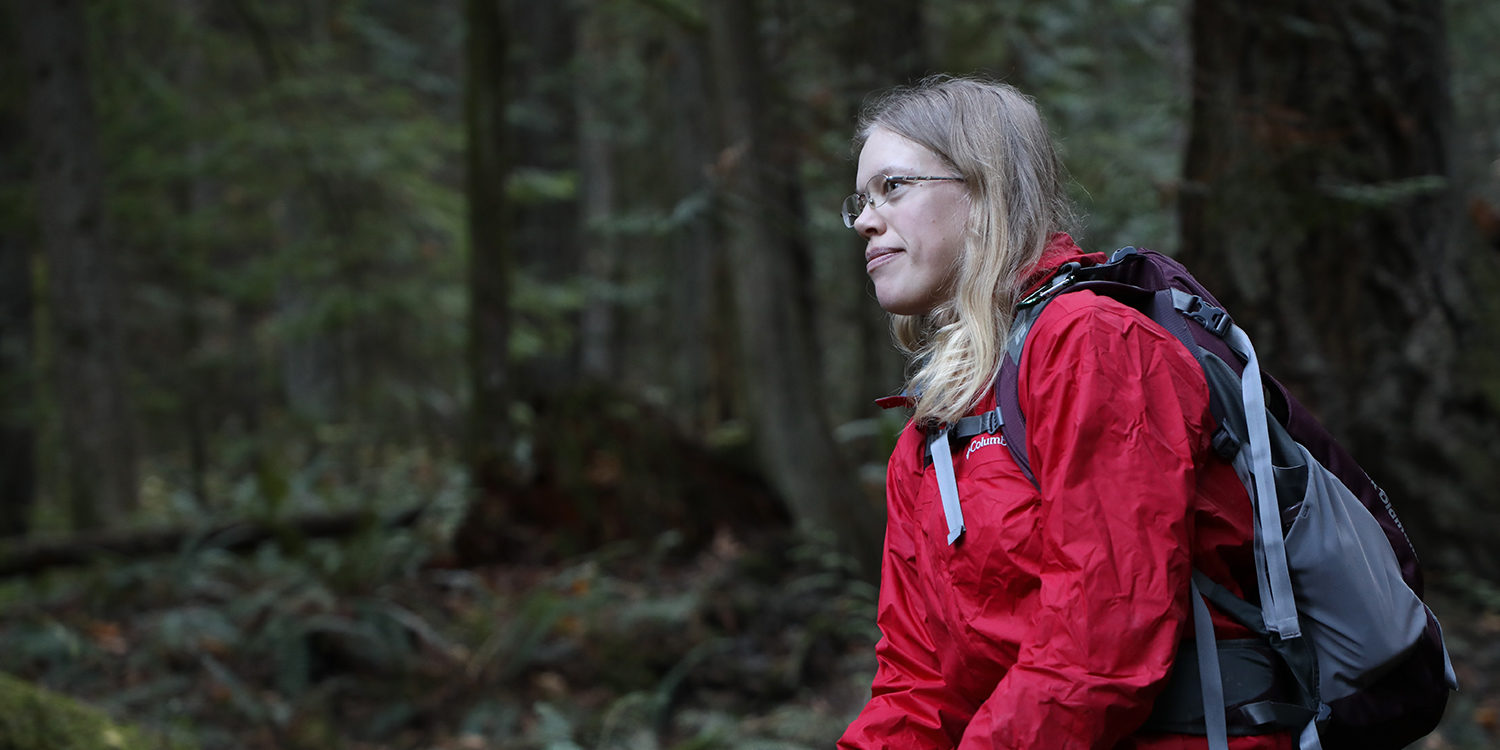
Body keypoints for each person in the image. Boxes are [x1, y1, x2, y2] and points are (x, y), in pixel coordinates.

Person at [836, 76, 1293, 749]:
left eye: (893, 188)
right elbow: (919, 681)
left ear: (984, 187)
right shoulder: (933, 429)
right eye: (861, 201)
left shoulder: (1093, 344)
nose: (866, 220)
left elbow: (1105, 638)